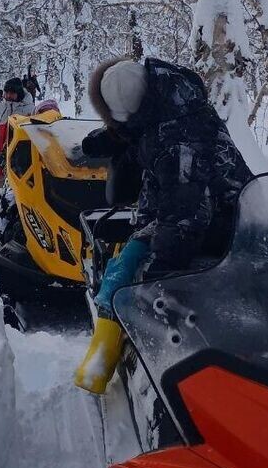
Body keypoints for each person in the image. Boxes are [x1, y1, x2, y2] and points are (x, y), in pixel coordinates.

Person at [73, 57, 254, 394]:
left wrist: (157, 276)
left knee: (122, 268)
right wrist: (103, 141)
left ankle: (101, 361)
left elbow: (183, 216)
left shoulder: (176, 145)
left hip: (217, 223)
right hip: (239, 214)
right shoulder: (175, 98)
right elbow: (140, 131)